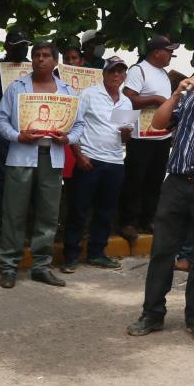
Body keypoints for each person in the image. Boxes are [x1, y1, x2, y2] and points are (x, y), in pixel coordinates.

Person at [126, 48, 194, 343]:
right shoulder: (188, 98)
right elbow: (158, 124)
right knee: (163, 251)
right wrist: (176, 94)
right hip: (176, 184)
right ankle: (152, 314)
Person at [0, 41, 84, 289]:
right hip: (21, 156)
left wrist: (68, 139)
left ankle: (41, 267)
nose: (41, 59)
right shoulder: (17, 87)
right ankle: (9, 266)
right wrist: (17, 136)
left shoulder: (67, 92)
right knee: (14, 213)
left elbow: (79, 125)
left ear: (55, 61)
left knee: (48, 214)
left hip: (52, 158)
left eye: (46, 55)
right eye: (37, 55)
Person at [61, 57, 133, 273]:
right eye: (112, 72)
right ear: (104, 73)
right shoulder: (89, 94)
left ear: (124, 76)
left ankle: (97, 253)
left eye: (120, 72)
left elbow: (124, 139)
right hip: (89, 160)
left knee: (106, 211)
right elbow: (73, 126)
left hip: (115, 162)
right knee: (79, 210)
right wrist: (78, 155)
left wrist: (127, 133)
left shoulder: (126, 102)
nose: (116, 76)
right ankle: (70, 256)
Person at [117, 35, 177, 242]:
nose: (171, 55)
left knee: (155, 179)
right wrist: (155, 99)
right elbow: (128, 99)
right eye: (168, 51)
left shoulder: (163, 73)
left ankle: (147, 219)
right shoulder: (138, 70)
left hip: (161, 136)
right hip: (140, 136)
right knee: (136, 179)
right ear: (156, 52)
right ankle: (128, 221)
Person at [0, 30, 32, 207]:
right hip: (3, 130)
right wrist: (4, 102)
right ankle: (5, 212)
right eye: (18, 46)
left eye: (25, 45)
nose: (22, 49)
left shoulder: (34, 70)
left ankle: (27, 211)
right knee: (4, 170)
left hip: (29, 128)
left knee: (28, 170)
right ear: (7, 47)